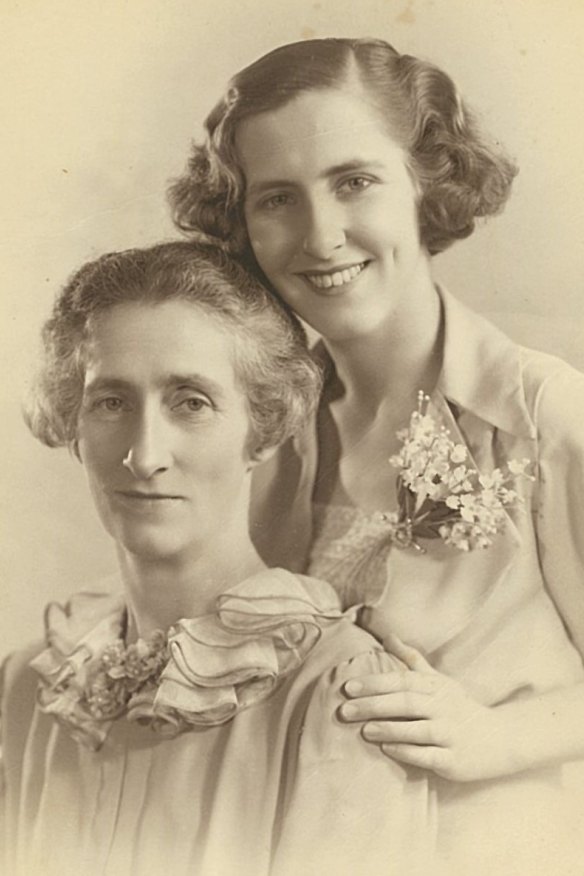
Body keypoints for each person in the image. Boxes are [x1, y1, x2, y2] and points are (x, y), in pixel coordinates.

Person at [169, 37, 584, 873]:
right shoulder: (264, 427)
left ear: (427, 182)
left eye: (354, 182)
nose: (322, 235)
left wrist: (499, 736)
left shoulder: (542, 412)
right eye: (277, 198)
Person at [1, 241, 436, 876]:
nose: (144, 455)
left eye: (191, 402)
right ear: (74, 422)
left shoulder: (337, 693)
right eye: (111, 402)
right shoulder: (28, 689)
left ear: (263, 429)